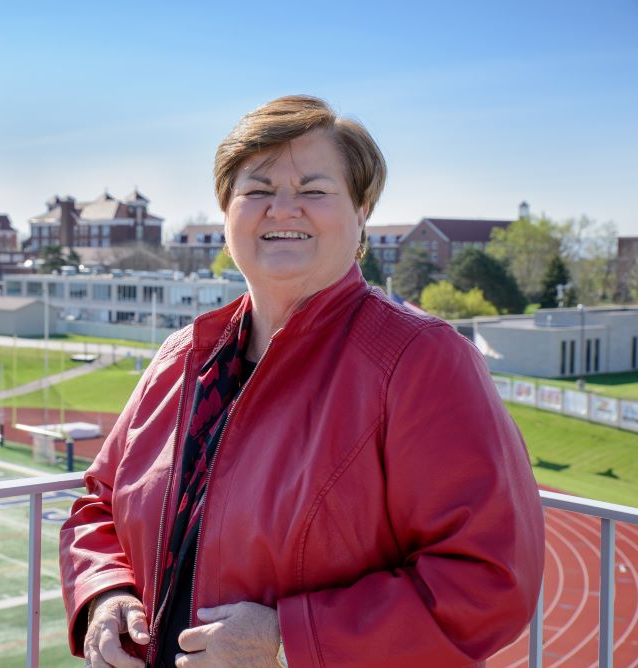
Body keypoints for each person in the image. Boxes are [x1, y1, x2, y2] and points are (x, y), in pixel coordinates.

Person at [59, 95, 545, 667]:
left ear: (361, 212)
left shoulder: (421, 361)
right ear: (227, 211)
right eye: (257, 189)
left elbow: (488, 579)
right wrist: (106, 592)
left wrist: (288, 642)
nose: (282, 209)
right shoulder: (183, 357)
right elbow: (99, 503)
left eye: (314, 190)